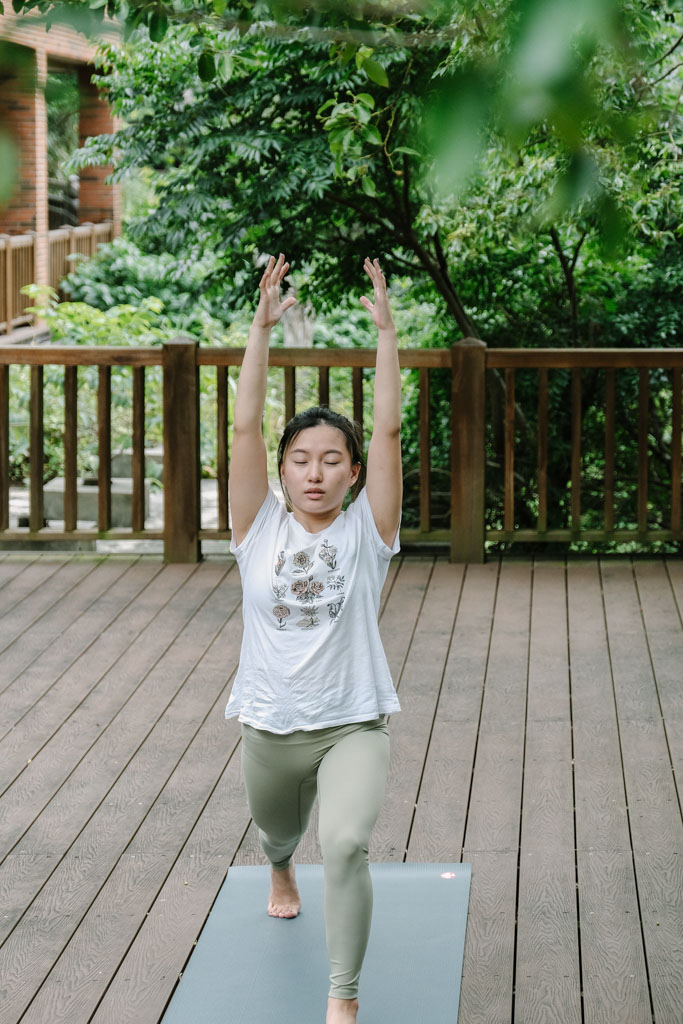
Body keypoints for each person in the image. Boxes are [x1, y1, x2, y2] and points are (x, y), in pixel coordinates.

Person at [226, 252, 402, 1024]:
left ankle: (342, 998)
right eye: (300, 460)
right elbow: (243, 425)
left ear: (353, 473)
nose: (315, 473)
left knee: (347, 843)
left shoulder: (369, 531)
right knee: (277, 831)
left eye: (332, 461)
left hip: (351, 721)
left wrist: (387, 335)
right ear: (282, 471)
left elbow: (388, 428)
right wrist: (260, 331)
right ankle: (277, 865)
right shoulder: (255, 527)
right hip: (269, 722)